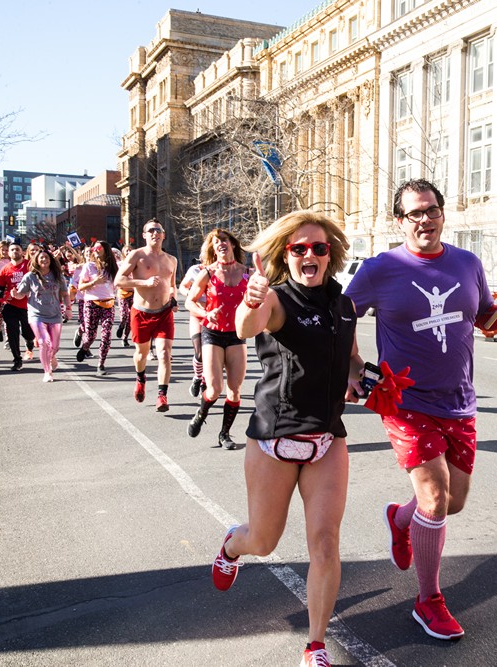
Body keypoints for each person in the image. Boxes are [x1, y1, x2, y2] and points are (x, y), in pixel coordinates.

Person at [344, 178, 497, 641]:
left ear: (443, 213)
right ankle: (429, 601)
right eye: (414, 213)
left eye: (432, 210)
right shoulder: (381, 268)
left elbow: (484, 321)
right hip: (404, 400)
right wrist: (356, 366)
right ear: (399, 221)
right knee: (435, 498)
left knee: (453, 502)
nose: (424, 220)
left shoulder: (467, 263)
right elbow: (340, 317)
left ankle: (400, 520)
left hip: (459, 400)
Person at [210, 211, 364, 667]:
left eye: (318, 247)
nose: (310, 255)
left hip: (327, 441)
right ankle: (230, 547)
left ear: (331, 254)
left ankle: (315, 645)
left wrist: (367, 378)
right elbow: (245, 326)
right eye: (298, 249)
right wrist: (250, 298)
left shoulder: (344, 304)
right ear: (284, 255)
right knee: (263, 540)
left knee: (325, 542)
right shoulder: (275, 299)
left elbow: (352, 357)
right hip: (275, 440)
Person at [185, 230, 249, 449]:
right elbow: (189, 302)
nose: (220, 244)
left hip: (236, 335)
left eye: (223, 240)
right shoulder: (207, 273)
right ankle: (201, 413)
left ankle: (225, 434)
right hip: (212, 332)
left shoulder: (246, 273)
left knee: (234, 389)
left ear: (232, 244)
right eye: (215, 242)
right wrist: (205, 314)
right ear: (212, 248)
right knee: (214, 388)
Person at [114, 219, 178, 411]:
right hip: (142, 312)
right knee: (141, 354)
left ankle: (162, 396)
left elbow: (172, 285)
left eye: (158, 230)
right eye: (150, 230)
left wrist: (173, 299)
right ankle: (141, 377)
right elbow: (119, 281)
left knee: (165, 354)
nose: (154, 233)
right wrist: (145, 283)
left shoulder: (171, 260)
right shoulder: (136, 255)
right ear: (144, 235)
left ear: (163, 235)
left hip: (164, 313)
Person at [12, 247, 69, 382]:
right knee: (44, 342)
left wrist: (68, 309)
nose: (44, 259)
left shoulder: (58, 276)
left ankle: (52, 356)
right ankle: (47, 372)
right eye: (41, 257)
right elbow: (21, 295)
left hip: (54, 315)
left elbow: (65, 294)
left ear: (50, 260)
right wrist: (16, 295)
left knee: (54, 346)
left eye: (46, 257)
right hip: (36, 314)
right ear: (36, 260)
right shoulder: (30, 276)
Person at [77, 242, 118, 376]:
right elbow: (81, 287)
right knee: (90, 336)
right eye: (94, 247)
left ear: (105, 250)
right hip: (92, 303)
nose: (95, 250)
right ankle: (85, 347)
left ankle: (101, 364)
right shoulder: (89, 266)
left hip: (108, 304)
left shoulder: (113, 267)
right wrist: (94, 282)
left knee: (106, 335)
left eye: (99, 247)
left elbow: (119, 283)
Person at [0, 243, 36, 371]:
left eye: (17, 249)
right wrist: (5, 296)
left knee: (28, 333)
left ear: (22, 252)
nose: (14, 251)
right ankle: (17, 359)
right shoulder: (5, 269)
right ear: (8, 253)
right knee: (13, 333)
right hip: (11, 306)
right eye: (12, 250)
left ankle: (29, 342)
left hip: (28, 306)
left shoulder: (30, 265)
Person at [178, 254, 207, 397]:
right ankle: (197, 377)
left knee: (211, 353)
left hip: (215, 316)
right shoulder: (195, 270)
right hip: (197, 313)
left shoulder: (222, 270)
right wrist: (190, 293)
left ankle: (205, 381)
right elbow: (182, 286)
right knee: (200, 351)